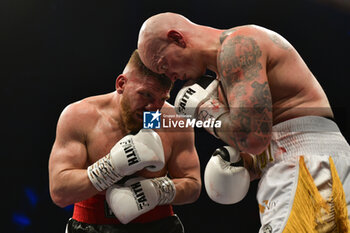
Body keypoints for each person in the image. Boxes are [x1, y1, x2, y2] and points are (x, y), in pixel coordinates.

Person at [137, 12, 350, 232]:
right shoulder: (226, 73)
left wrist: (205, 112)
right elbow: (271, 132)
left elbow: (252, 138)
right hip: (324, 163)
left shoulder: (237, 47)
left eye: (163, 66)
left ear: (177, 38)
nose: (171, 77)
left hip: (305, 169)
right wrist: (248, 164)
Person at [48, 49, 201, 233]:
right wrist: (111, 167)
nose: (153, 108)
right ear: (121, 84)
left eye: (162, 98)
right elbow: (60, 192)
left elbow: (193, 185)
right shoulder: (80, 116)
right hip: (91, 226)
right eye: (145, 95)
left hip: (158, 226)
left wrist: (157, 191)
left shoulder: (172, 120)